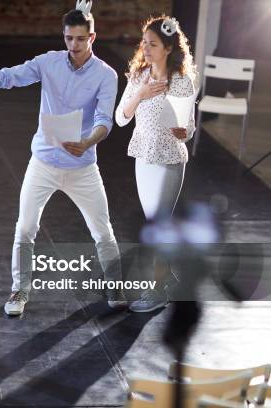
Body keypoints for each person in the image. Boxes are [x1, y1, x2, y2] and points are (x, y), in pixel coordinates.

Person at [0, 1, 126, 316]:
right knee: (25, 228)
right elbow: (10, 76)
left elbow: (105, 120)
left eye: (81, 39)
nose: (74, 45)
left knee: (102, 230)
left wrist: (88, 141)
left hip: (82, 167)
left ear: (92, 38)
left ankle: (115, 285)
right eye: (69, 39)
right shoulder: (49, 62)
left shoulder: (106, 75)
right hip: (43, 164)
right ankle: (19, 291)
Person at [115, 16, 197, 312]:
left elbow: (189, 128)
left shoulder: (181, 81)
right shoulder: (138, 77)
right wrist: (139, 94)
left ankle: (158, 289)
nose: (145, 49)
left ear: (167, 48)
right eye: (144, 43)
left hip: (171, 159)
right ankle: (169, 277)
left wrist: (183, 132)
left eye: (152, 44)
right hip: (144, 157)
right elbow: (121, 118)